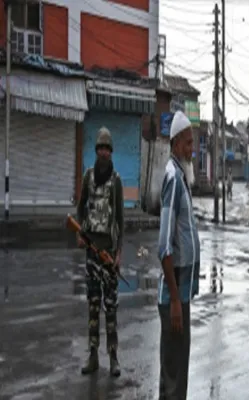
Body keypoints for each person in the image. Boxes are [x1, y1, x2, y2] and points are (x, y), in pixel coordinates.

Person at [157, 111, 201, 400]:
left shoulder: (181, 176)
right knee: (173, 381)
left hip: (181, 294)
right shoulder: (173, 179)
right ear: (175, 143)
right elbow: (164, 246)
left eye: (192, 143)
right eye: (187, 143)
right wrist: (174, 300)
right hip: (174, 295)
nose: (191, 149)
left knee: (176, 375)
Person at [77, 127, 124, 377]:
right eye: (100, 148)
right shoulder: (88, 176)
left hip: (109, 254)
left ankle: (113, 357)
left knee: (111, 307)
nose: (104, 152)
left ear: (111, 152)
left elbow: (120, 219)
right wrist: (79, 232)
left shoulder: (116, 180)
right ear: (96, 151)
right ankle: (93, 356)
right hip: (92, 254)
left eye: (107, 149)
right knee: (93, 306)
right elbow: (80, 207)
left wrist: (119, 253)